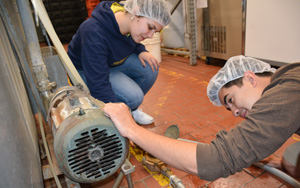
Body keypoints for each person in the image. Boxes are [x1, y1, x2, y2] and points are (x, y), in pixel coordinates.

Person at [103, 55, 300, 180]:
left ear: (250, 78)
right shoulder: (288, 79)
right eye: (229, 108)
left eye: (231, 99)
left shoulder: (289, 92)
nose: (235, 112)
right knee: (291, 159)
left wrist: (132, 129)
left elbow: (216, 160)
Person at [67, 0, 171, 125]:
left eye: (155, 32)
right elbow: (99, 84)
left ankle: (130, 109)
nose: (150, 35)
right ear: (136, 12)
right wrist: (119, 119)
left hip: (107, 63)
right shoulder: (94, 33)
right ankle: (124, 108)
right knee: (134, 97)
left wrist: (140, 50)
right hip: (85, 69)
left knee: (150, 67)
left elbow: (126, 39)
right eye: (150, 27)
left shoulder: (128, 20)